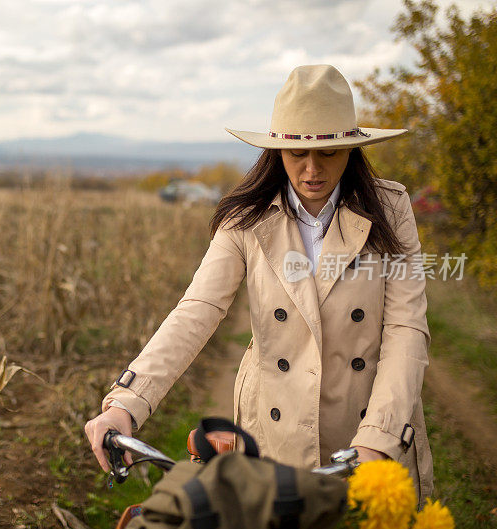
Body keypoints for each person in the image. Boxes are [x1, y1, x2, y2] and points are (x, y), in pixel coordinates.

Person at [84, 64, 433, 503]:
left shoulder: (390, 209)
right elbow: (198, 309)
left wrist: (379, 438)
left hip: (365, 432)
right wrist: (126, 403)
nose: (311, 170)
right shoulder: (245, 218)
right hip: (275, 431)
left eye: (329, 153)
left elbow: (406, 328)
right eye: (296, 154)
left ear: (352, 150)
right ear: (276, 151)